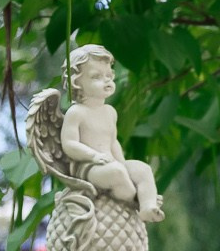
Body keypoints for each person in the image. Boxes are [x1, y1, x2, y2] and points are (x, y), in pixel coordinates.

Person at [60, 44, 164, 222]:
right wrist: (93, 156)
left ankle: (148, 206)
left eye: (109, 76)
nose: (107, 81)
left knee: (143, 169)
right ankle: (134, 200)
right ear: (77, 82)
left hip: (112, 163)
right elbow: (69, 144)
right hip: (89, 168)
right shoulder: (76, 112)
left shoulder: (110, 112)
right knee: (117, 174)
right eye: (96, 77)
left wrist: (123, 163)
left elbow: (113, 141)